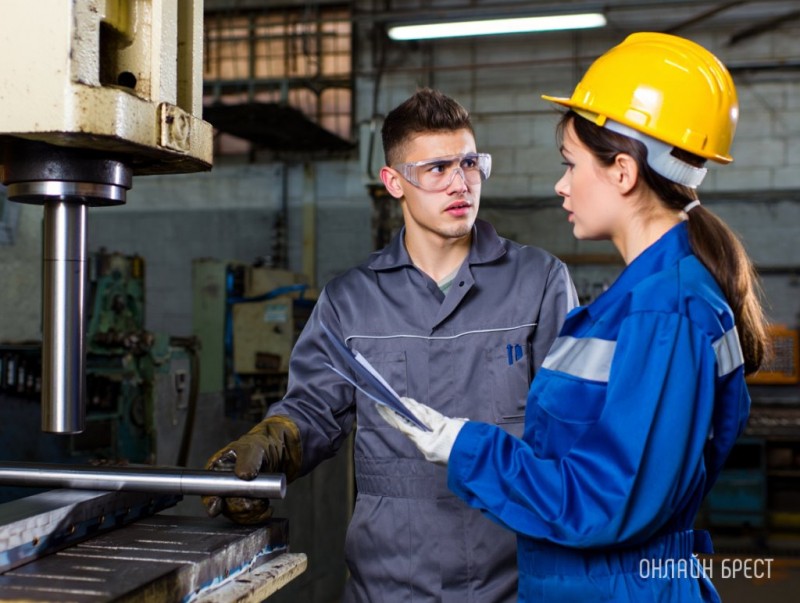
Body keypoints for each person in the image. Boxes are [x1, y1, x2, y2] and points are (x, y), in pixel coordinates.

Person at [378, 33, 769, 602]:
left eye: (570, 164)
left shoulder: (665, 311)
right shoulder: (646, 300)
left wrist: (465, 447)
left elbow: (606, 502)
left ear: (622, 171)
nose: (561, 185)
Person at [202, 87, 578, 601]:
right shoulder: (351, 300)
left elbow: (572, 432)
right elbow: (314, 410)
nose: (461, 183)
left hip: (513, 579)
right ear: (393, 182)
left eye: (470, 163)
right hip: (388, 583)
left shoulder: (538, 282)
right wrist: (271, 445)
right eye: (437, 168)